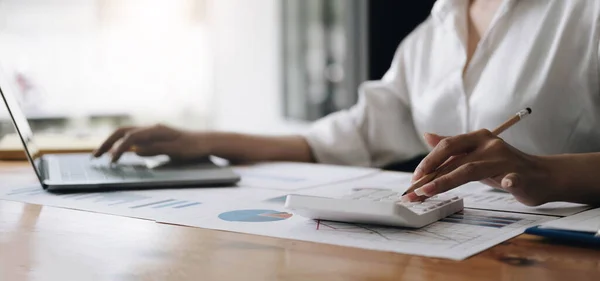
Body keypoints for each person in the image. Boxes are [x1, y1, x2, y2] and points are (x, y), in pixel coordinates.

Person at [94, 0, 600, 206]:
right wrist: (202, 139)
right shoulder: (434, 30)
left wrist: (546, 173)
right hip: (462, 256)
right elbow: (348, 137)